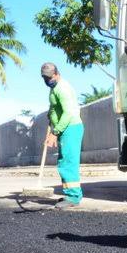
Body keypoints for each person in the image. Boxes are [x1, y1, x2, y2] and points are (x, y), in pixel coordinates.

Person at [41, 62, 84, 208]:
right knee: (64, 161)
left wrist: (55, 132)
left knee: (68, 162)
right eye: (44, 78)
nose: (47, 81)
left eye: (49, 77)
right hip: (65, 129)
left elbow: (68, 113)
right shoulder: (54, 88)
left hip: (70, 128)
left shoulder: (62, 88)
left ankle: (73, 197)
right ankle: (71, 194)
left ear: (57, 74)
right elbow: (56, 107)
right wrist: (51, 112)